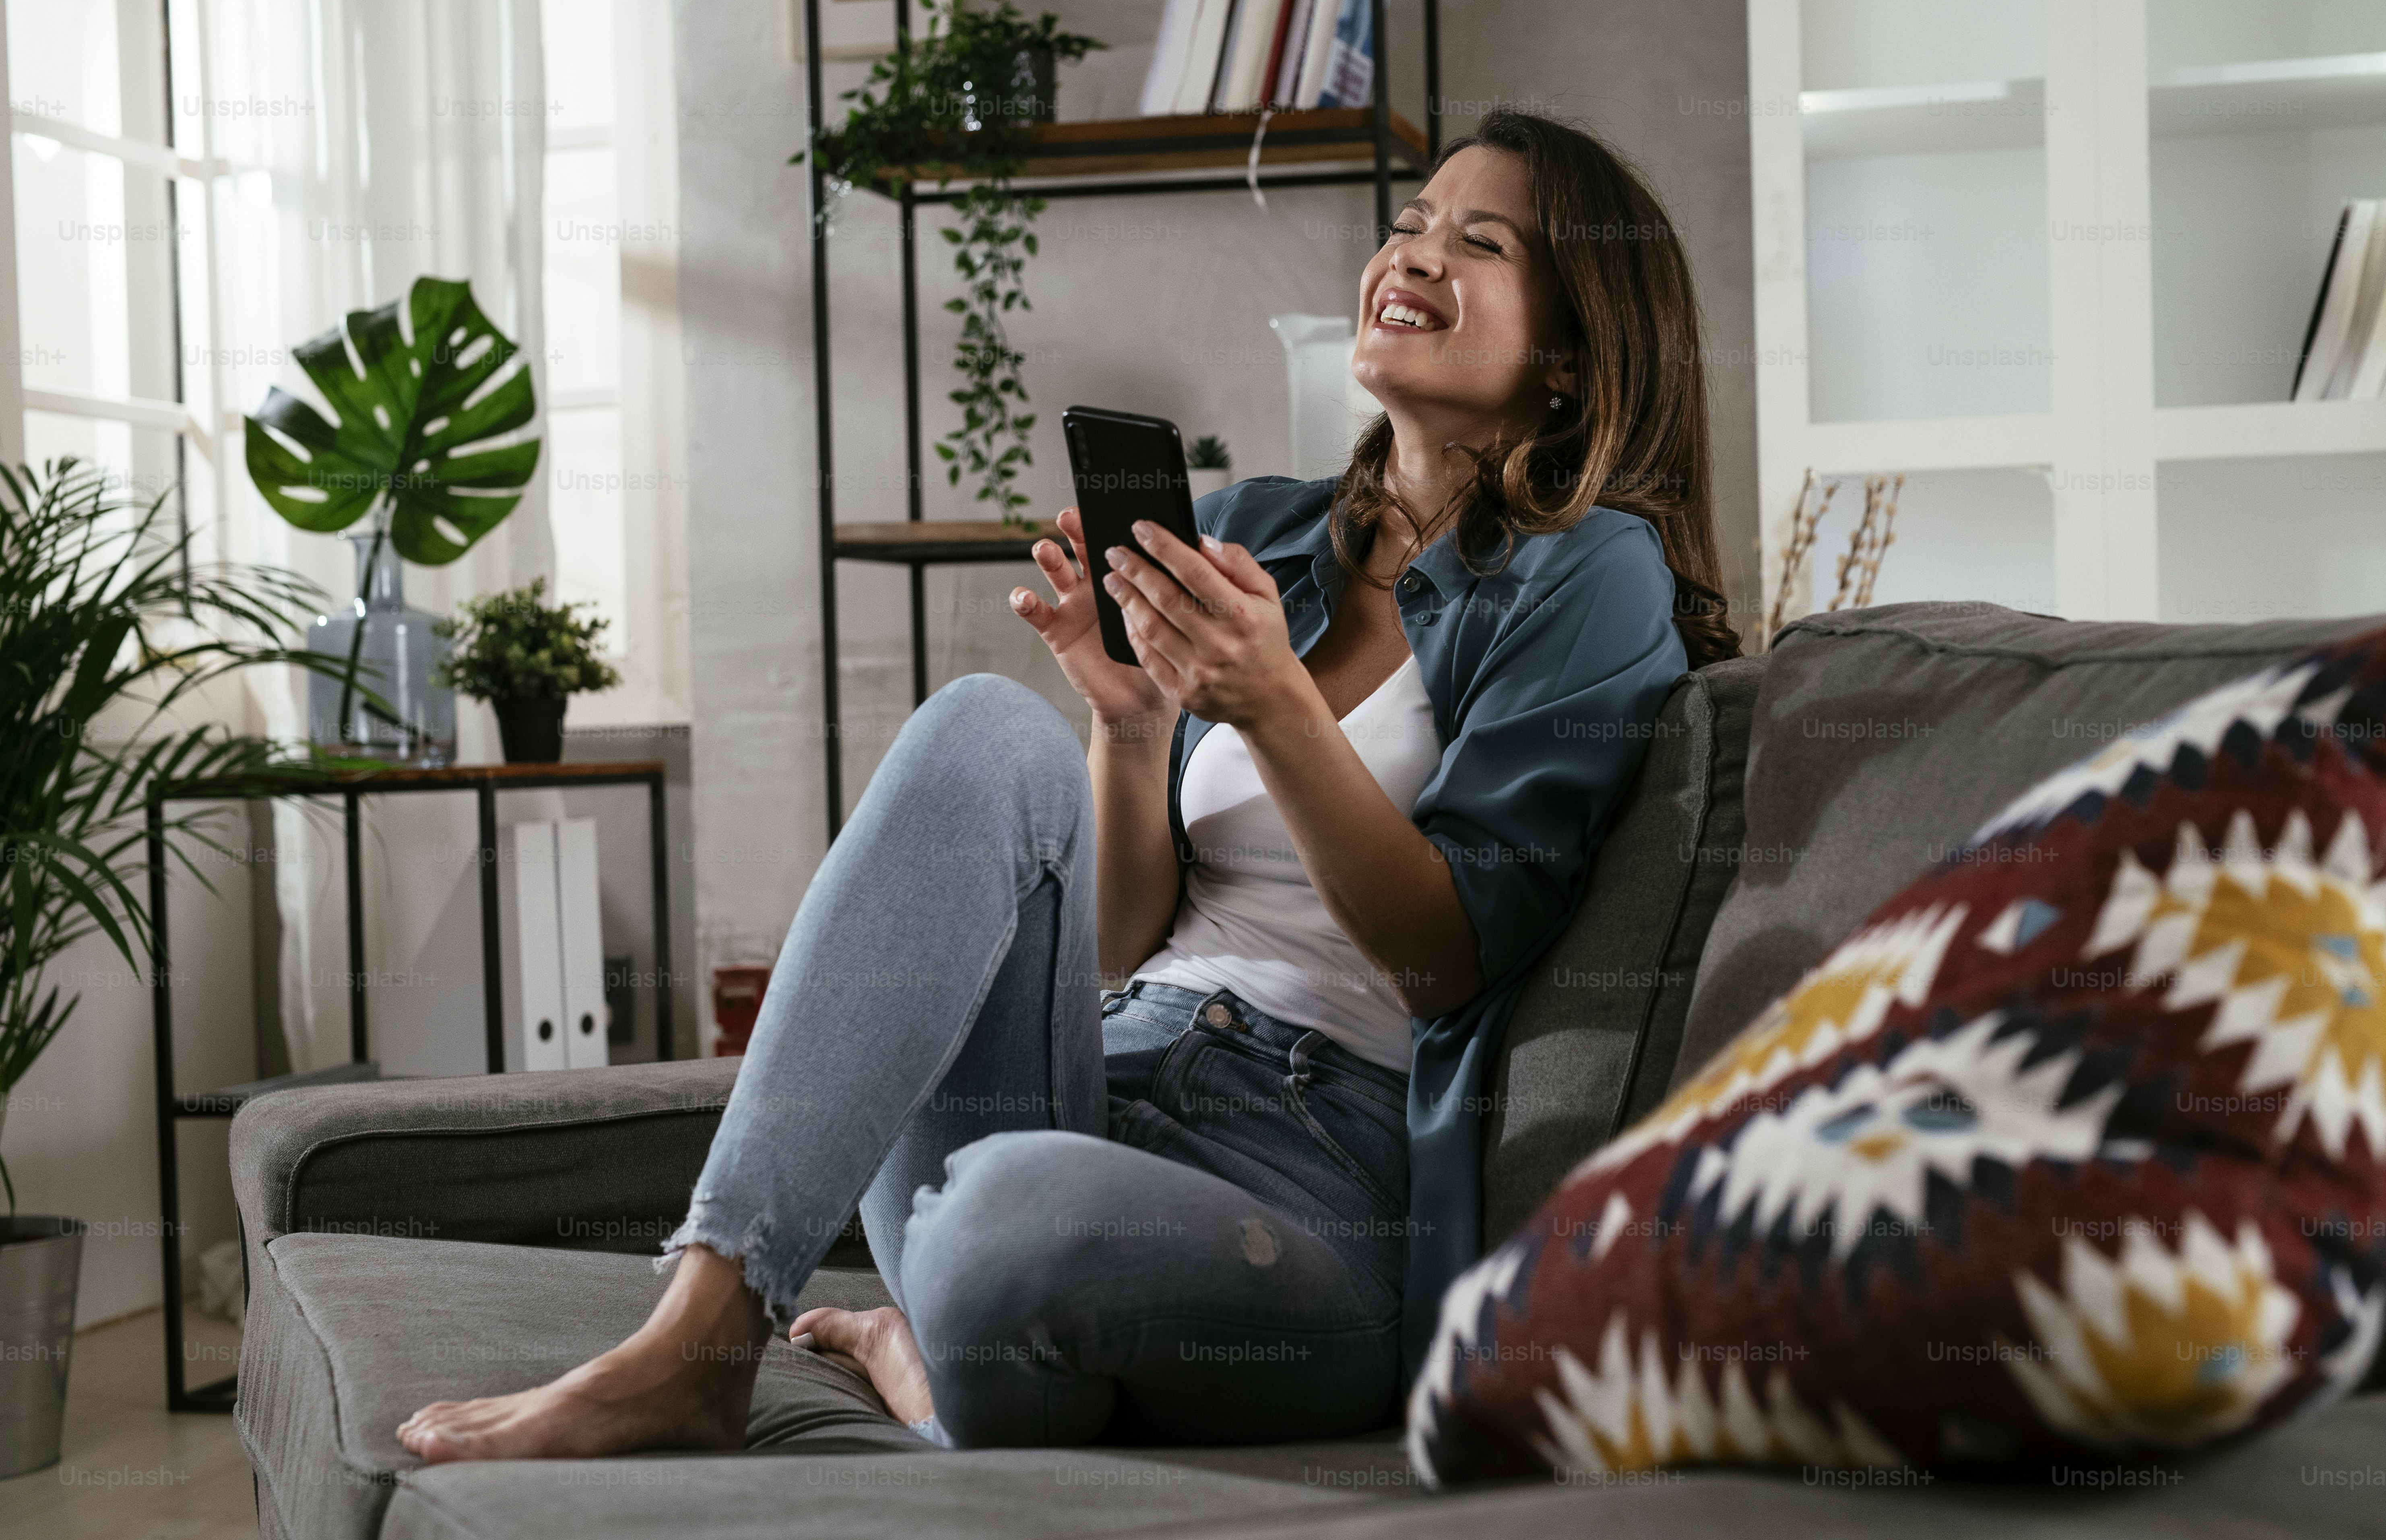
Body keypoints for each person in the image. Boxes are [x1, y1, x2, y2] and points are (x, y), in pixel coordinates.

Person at [396, 107, 1740, 1460]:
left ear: (1568, 356)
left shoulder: (1587, 577)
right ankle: (698, 1338)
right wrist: (1136, 727)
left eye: (1480, 241)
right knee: (988, 725)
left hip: (1319, 1180)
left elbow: (1448, 962)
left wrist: (1273, 705)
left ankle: (929, 1356)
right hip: (1101, 1069)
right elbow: (1112, 947)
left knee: (999, 1217)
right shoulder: (1253, 531)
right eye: (1410, 225)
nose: (1418, 253)